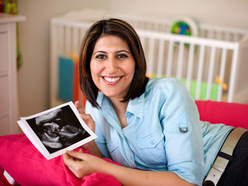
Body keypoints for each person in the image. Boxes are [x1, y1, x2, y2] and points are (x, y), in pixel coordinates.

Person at [63, 18, 248, 186]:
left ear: (136, 62)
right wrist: (88, 141)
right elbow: (106, 160)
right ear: (88, 64)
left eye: (121, 56)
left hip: (235, 159)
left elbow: (187, 182)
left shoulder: (168, 92)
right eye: (101, 56)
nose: (111, 68)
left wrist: (103, 168)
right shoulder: (95, 106)